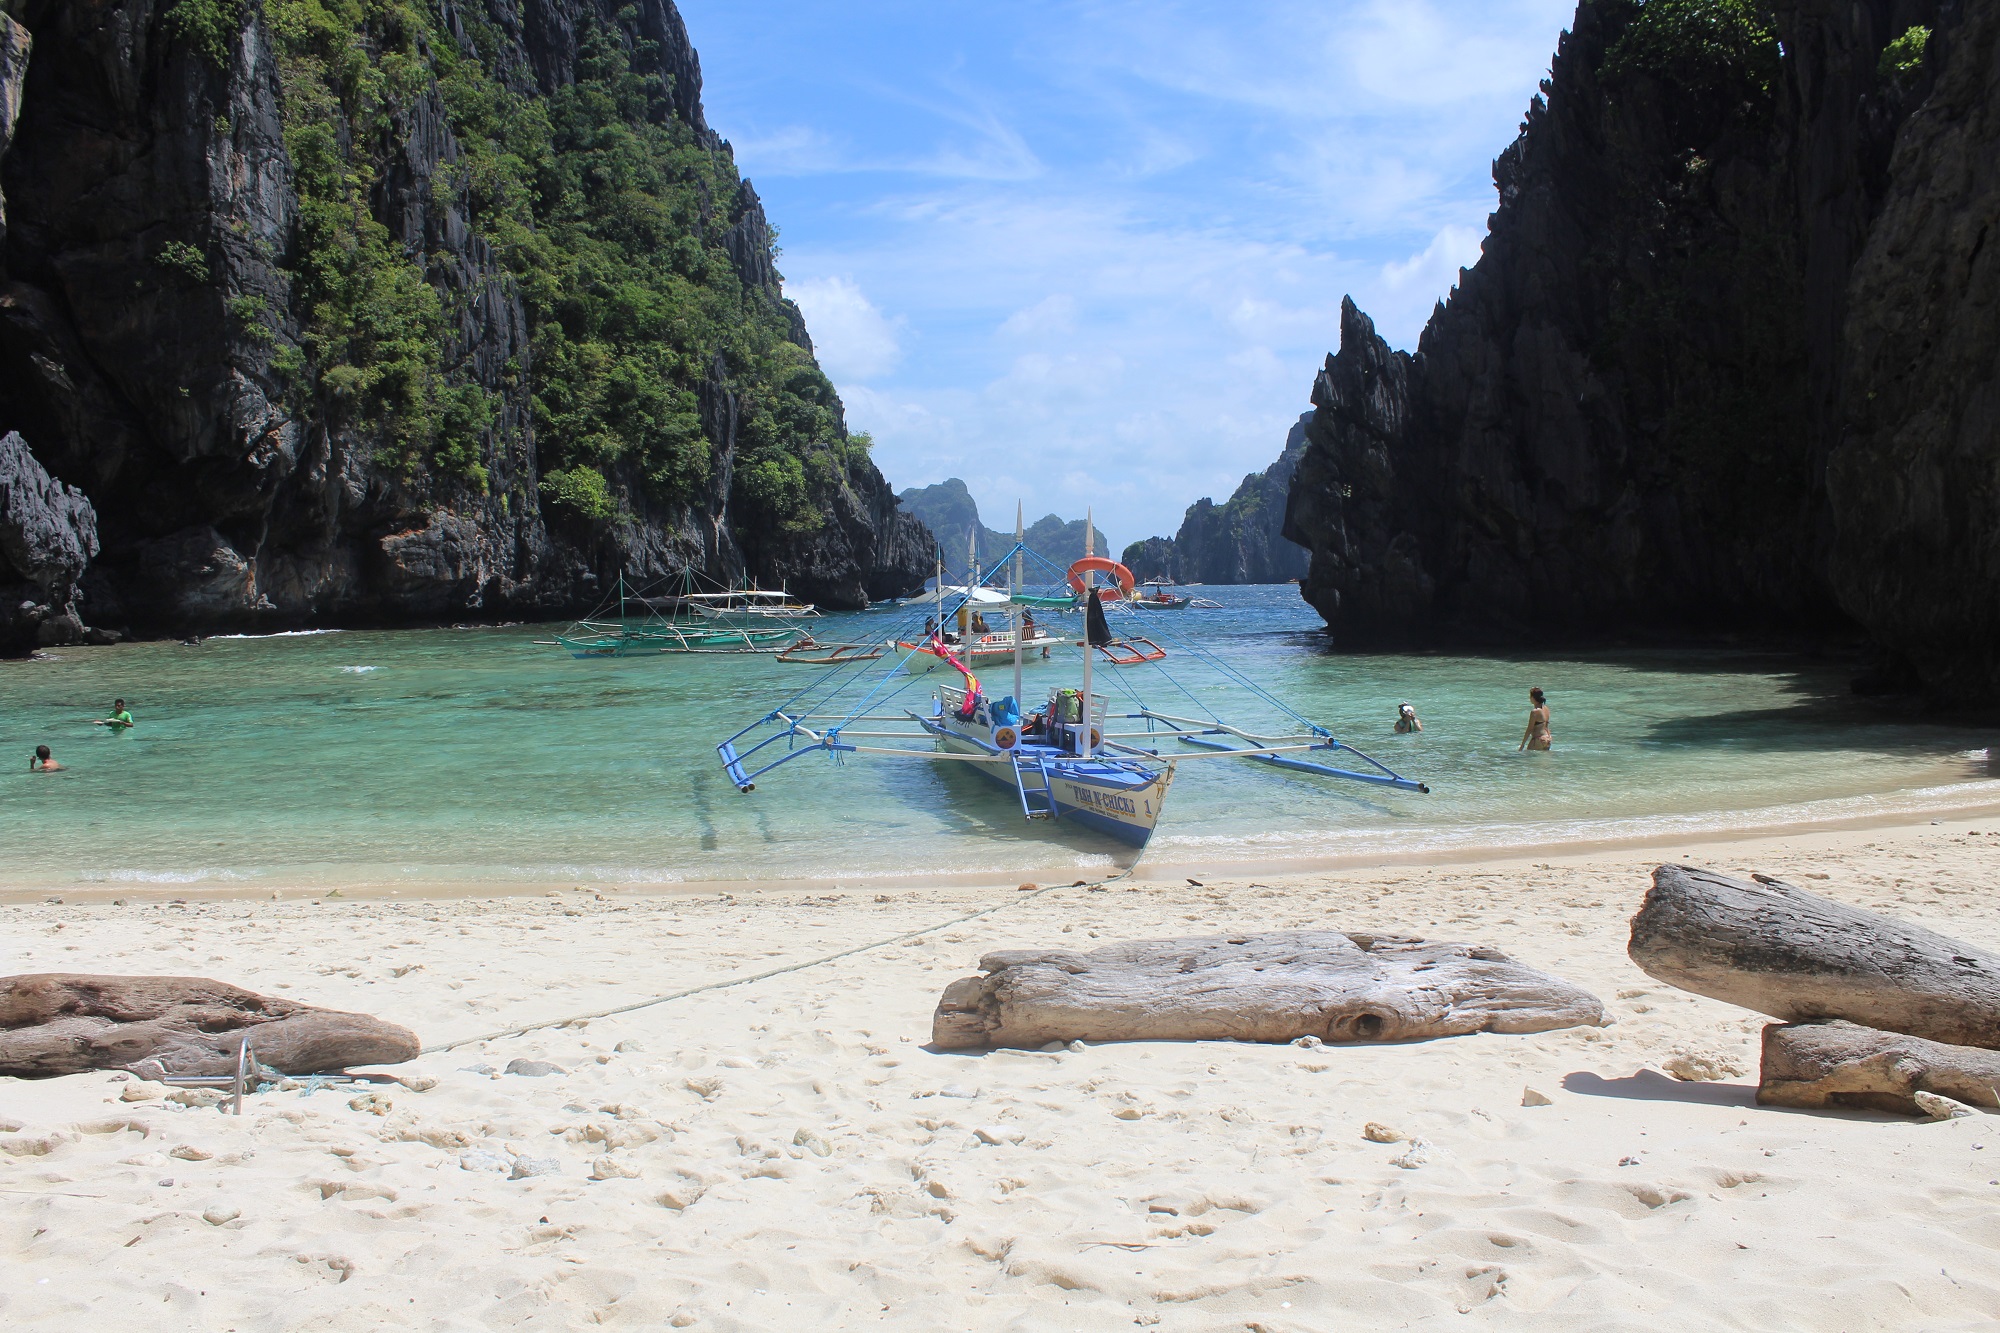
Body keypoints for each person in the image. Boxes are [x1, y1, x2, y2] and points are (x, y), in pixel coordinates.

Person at [1519, 687, 1552, 752]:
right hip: (1547, 738)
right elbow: (1546, 726)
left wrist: (1522, 745)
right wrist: (1549, 737)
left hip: (1538, 739)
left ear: (1533, 698)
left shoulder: (1535, 712)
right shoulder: (1546, 709)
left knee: (1528, 759)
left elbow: (1529, 729)